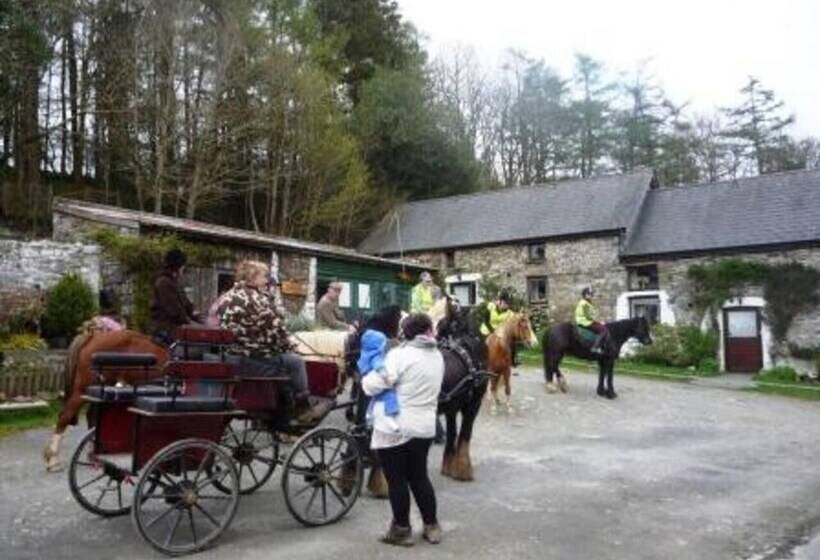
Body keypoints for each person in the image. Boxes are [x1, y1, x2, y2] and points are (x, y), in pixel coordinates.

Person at [362, 313, 444, 546]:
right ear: (427, 331)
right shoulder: (437, 355)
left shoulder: (399, 355)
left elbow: (373, 385)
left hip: (395, 427)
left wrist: (366, 376)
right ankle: (432, 526)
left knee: (397, 480)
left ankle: (401, 530)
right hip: (424, 427)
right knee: (419, 476)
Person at [219, 260, 326, 422]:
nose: (266, 280)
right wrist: (290, 346)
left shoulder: (227, 296)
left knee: (286, 359)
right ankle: (303, 407)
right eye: (264, 276)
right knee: (295, 361)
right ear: (253, 277)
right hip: (254, 358)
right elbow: (276, 333)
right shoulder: (257, 299)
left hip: (234, 355)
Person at [149, 248, 201, 344]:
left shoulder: (175, 283)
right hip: (166, 328)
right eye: (183, 266)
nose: (184, 269)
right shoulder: (163, 283)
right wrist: (191, 323)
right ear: (178, 266)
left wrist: (199, 319)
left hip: (177, 326)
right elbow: (174, 311)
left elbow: (187, 305)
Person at [480, 290, 518, 365]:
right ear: (500, 301)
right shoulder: (491, 306)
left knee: (512, 341)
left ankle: (513, 359)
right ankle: (482, 360)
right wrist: (492, 331)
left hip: (501, 332)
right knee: (483, 344)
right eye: (505, 303)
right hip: (487, 329)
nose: (507, 305)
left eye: (508, 304)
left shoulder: (510, 313)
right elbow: (486, 320)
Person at [575, 287, 608, 355]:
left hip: (585, 321)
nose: (591, 296)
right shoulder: (584, 303)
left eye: (591, 294)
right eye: (589, 294)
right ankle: (595, 347)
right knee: (603, 330)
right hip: (585, 321)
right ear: (585, 295)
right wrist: (599, 322)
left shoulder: (586, 302)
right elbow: (588, 316)